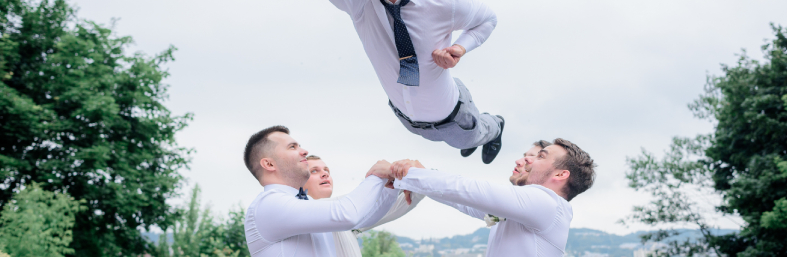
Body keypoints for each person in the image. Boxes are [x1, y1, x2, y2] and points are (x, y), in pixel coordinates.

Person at [293, 0, 505, 164]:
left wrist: (461, 47)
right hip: (406, 117)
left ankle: (495, 126)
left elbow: (487, 19)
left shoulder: (443, 1)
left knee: (468, 138)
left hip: (453, 116)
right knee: (444, 138)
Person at [371, 138, 596, 257]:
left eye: (541, 156)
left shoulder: (547, 203)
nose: (528, 161)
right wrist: (422, 175)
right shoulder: (532, 208)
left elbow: (472, 190)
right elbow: (464, 200)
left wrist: (402, 171)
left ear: (560, 174)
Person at [242, 126, 400, 257]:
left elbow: (363, 217)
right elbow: (347, 214)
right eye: (292, 147)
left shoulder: (305, 204)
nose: (304, 151)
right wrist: (376, 176)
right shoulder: (269, 204)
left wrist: (388, 186)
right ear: (269, 164)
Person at [302, 155, 425, 257]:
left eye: (326, 170)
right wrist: (391, 173)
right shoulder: (299, 217)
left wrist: (415, 176)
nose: (325, 174)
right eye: (314, 171)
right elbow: (348, 205)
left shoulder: (348, 221)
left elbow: (399, 204)